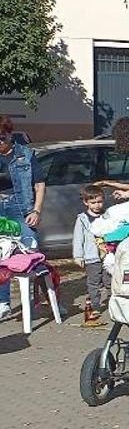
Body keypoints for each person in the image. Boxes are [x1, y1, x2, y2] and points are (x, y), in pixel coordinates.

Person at [0, 119, 44, 321]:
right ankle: (3, 303)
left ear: (10, 134)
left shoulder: (25, 154)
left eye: (2, 137)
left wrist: (36, 210)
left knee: (32, 250)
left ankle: (49, 296)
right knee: (2, 256)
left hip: (21, 207)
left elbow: (39, 184)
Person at [73, 184, 110, 328]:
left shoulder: (107, 216)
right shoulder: (82, 219)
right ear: (86, 202)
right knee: (94, 283)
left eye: (99, 202)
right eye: (93, 202)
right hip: (91, 257)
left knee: (109, 281)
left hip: (107, 256)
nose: (97, 205)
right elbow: (78, 238)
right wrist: (78, 256)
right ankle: (95, 306)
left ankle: (113, 304)